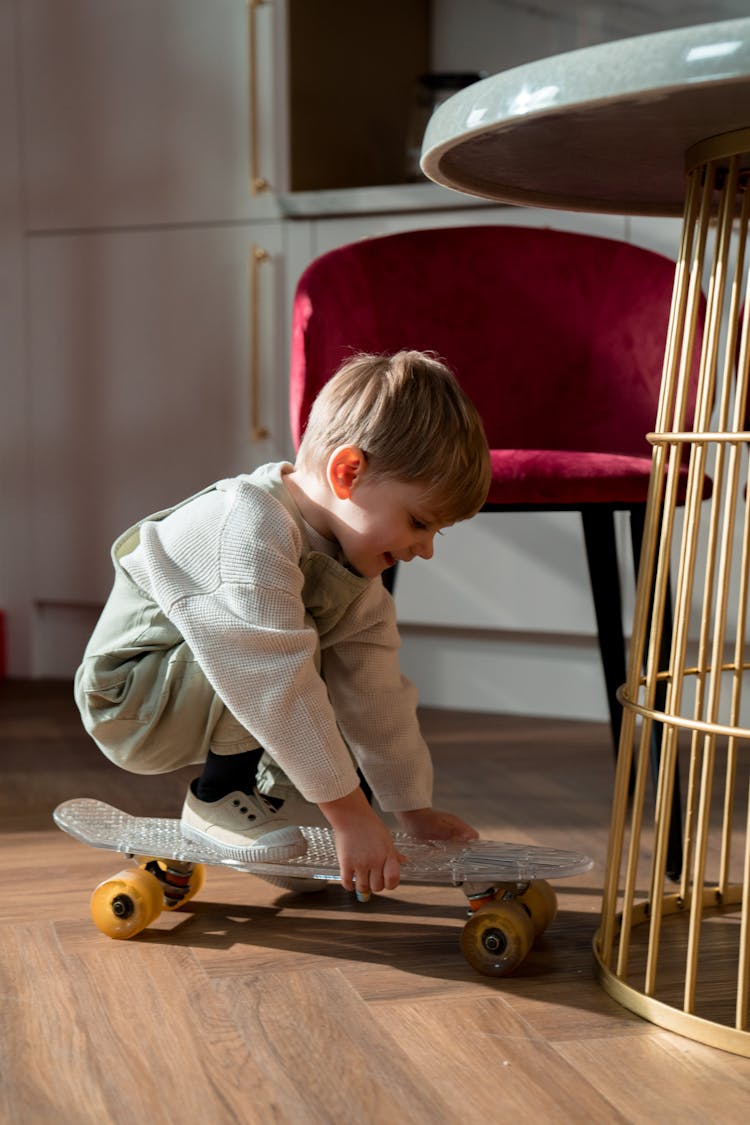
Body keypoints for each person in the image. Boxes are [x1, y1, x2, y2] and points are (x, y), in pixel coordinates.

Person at [74, 350, 491, 898]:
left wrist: (412, 810)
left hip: (202, 687)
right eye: (418, 522)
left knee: (327, 667)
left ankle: (252, 808)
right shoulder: (249, 525)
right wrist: (350, 816)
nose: (426, 549)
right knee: (285, 656)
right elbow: (268, 678)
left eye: (437, 532)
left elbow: (377, 695)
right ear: (348, 472)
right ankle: (219, 797)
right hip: (132, 696)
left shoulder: (352, 571)